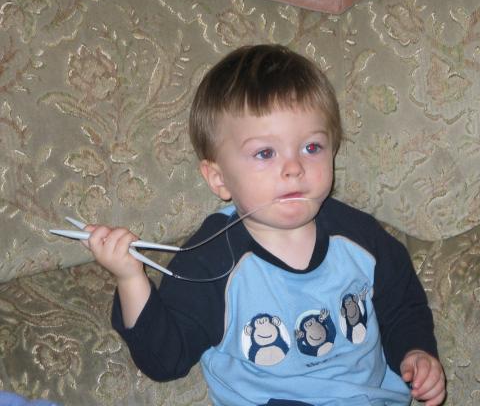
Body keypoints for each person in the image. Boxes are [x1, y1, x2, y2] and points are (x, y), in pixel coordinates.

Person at [83, 44, 446, 406]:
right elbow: (166, 360)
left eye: (312, 148)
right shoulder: (209, 262)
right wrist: (130, 278)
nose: (294, 168)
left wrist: (415, 351)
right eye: (265, 153)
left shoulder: (361, 237)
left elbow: (401, 305)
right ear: (219, 179)